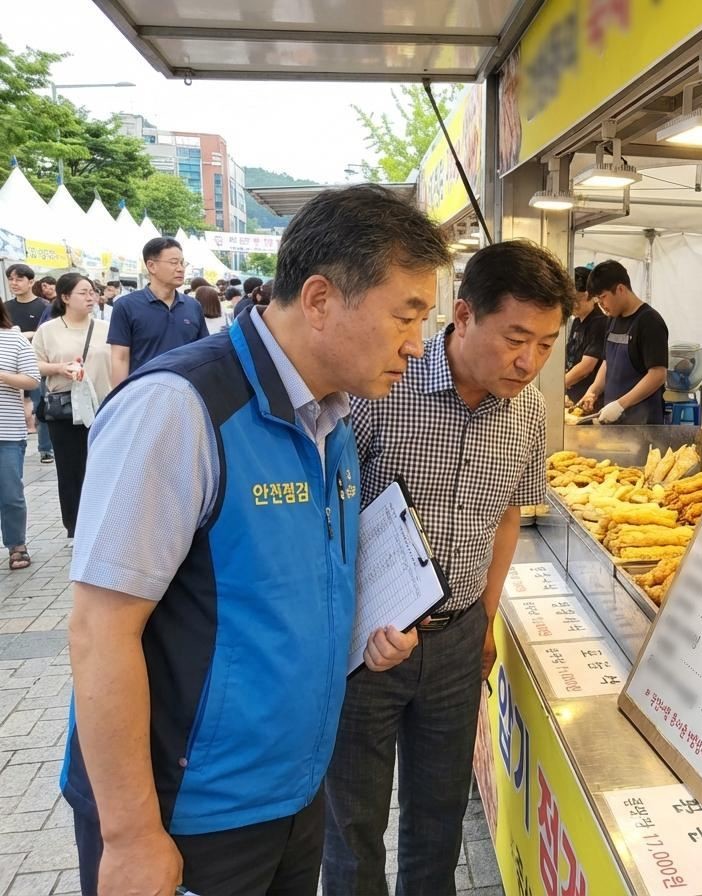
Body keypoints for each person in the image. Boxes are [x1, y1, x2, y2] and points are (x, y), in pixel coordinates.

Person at [62, 184, 448, 896]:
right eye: (407, 314)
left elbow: (274, 588)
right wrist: (132, 835)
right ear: (322, 298)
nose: (417, 344)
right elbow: (97, 631)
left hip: (292, 794)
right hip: (189, 815)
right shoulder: (180, 408)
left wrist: (360, 635)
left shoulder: (332, 422)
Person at [323, 239, 573, 896]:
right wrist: (353, 618)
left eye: (547, 344)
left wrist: (487, 619)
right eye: (515, 337)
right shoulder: (382, 390)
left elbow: (510, 515)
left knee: (438, 817)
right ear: (462, 316)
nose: (529, 361)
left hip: (460, 638)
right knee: (353, 823)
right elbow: (329, 515)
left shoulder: (530, 411)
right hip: (366, 644)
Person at [32, 273, 113, 541]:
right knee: (70, 470)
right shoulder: (49, 330)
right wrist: (60, 368)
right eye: (83, 292)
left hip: (103, 408)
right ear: (65, 297)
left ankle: (105, 523)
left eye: (93, 292)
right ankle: (77, 528)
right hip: (65, 411)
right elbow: (34, 364)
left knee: (104, 467)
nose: (91, 297)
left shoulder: (105, 328)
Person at [107, 238, 208, 387]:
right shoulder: (126, 306)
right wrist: (119, 400)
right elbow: (120, 358)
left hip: (187, 394)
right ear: (151, 266)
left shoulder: (193, 306)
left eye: (182, 263)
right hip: (143, 395)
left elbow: (202, 352)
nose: (180, 268)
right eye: (174, 262)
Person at [578, 260, 668, 424]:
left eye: (603, 297)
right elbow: (608, 361)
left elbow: (658, 374)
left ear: (620, 289)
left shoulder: (649, 321)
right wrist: (594, 390)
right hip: (614, 420)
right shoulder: (613, 319)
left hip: (643, 424)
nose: (601, 305)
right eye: (598, 300)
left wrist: (620, 405)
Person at [0, 300, 41, 570]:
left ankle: (17, 545)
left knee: (10, 493)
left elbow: (32, 379)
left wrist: (2, 376)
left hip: (7, 431)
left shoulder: (14, 341)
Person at [5, 263, 54, 463]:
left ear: (31, 282)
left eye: (19, 279)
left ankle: (45, 448)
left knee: (41, 404)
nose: (13, 283)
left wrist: (28, 334)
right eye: (10, 279)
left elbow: (47, 333)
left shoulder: (44, 306)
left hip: (36, 362)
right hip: (9, 363)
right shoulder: (6, 307)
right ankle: (14, 441)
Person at [564, 265, 607, 407]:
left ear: (594, 297)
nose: (574, 305)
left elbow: (586, 367)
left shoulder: (599, 323)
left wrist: (559, 386)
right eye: (571, 299)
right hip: (572, 396)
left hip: (589, 399)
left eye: (579, 298)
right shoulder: (577, 321)